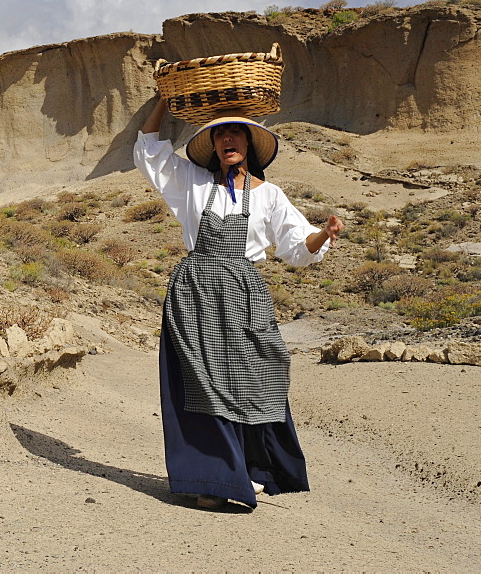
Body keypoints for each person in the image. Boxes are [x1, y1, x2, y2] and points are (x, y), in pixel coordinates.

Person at [133, 97, 344, 511]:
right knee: (202, 385)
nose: (227, 139)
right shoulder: (192, 180)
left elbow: (299, 248)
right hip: (195, 292)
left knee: (258, 376)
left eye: (235, 133)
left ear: (248, 143)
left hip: (243, 295)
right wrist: (162, 101)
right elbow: (149, 150)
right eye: (220, 134)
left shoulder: (270, 195)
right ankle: (212, 479)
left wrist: (325, 233)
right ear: (212, 144)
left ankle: (256, 469)